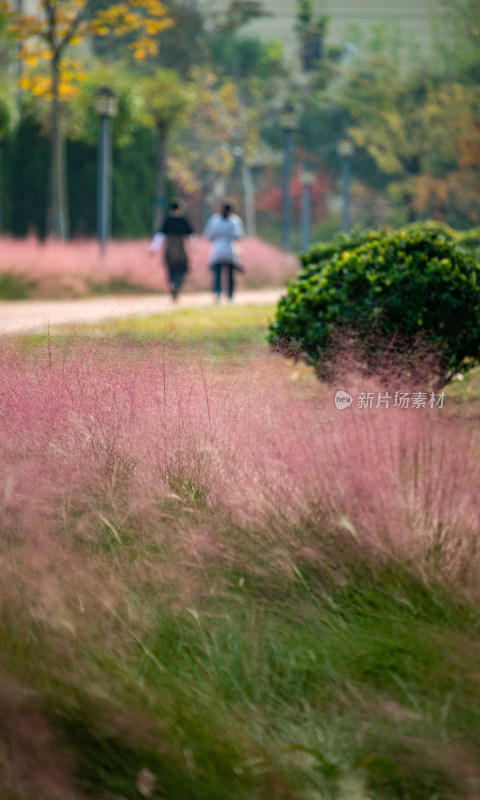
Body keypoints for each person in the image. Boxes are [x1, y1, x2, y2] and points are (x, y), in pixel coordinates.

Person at [150, 199, 194, 300]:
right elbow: (191, 235)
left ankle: (172, 284)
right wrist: (193, 246)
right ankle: (177, 283)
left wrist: (154, 248)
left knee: (170, 268)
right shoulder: (183, 220)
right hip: (180, 248)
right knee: (183, 267)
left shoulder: (167, 219)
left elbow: (160, 235)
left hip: (169, 248)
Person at [204, 201, 244, 302]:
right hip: (230, 249)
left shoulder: (214, 220)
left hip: (217, 250)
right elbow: (238, 236)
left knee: (217, 273)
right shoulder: (235, 220)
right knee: (230, 274)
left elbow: (208, 236)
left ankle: (217, 292)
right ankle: (230, 294)